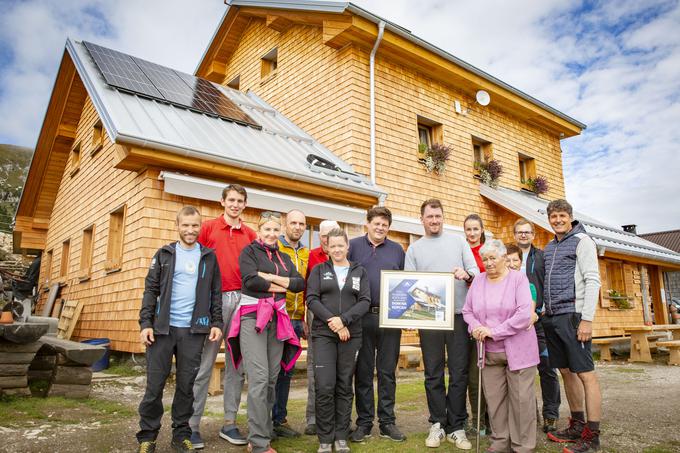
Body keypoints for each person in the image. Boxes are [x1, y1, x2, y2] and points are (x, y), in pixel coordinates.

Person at [136, 206, 223, 453]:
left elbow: (215, 292)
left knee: (187, 386)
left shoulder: (209, 256)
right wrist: (146, 324)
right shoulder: (164, 254)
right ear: (178, 226)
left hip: (194, 332)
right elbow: (150, 291)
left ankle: (181, 436)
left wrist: (217, 323)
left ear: (200, 227)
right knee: (155, 385)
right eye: (185, 225)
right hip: (162, 330)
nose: (190, 230)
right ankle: (147, 437)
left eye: (195, 225)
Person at [227, 211, 305, 453]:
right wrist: (283, 283)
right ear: (259, 231)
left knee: (272, 378)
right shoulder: (249, 252)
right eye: (267, 230)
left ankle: (264, 429)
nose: (271, 234)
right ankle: (258, 442)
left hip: (277, 320)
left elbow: (300, 283)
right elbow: (251, 281)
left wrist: (270, 277)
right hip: (253, 319)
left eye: (275, 230)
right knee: (259, 379)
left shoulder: (283, 256)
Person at [405, 199, 479, 450]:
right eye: (429, 216)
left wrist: (465, 275)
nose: (434, 220)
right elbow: (409, 287)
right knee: (433, 373)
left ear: (443, 217)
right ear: (422, 219)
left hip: (459, 316)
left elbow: (476, 274)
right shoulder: (414, 250)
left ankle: (457, 426)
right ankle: (437, 422)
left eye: (438, 216)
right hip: (430, 319)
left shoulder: (458, 242)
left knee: (459, 373)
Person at [190, 184, 257, 449]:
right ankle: (192, 424)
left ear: (244, 204)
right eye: (231, 200)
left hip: (242, 301)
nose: (235, 204)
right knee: (204, 364)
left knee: (236, 365)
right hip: (213, 302)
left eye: (240, 200)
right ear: (222, 202)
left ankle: (229, 422)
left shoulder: (251, 234)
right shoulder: (207, 229)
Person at [462, 239, 539, 453]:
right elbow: (467, 311)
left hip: (519, 350)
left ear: (504, 258)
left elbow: (524, 314)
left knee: (521, 401)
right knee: (495, 401)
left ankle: (522, 445)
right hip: (489, 352)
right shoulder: (478, 280)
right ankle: (500, 441)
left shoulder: (518, 279)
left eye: (493, 258)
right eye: (484, 259)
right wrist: (476, 327)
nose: (488, 263)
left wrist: (493, 332)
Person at [542, 199, 602, 453]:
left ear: (570, 216)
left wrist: (587, 319)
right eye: (553, 216)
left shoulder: (583, 241)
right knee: (566, 371)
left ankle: (593, 436)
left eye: (561, 216)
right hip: (553, 317)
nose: (557, 220)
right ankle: (576, 424)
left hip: (574, 317)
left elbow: (592, 280)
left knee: (585, 374)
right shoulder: (549, 246)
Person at [307, 228, 371, 453]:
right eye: (331, 246)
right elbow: (312, 299)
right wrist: (333, 322)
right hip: (324, 334)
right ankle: (325, 438)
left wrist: (344, 321)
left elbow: (365, 301)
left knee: (344, 385)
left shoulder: (359, 271)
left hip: (350, 335)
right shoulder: (318, 270)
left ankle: (341, 436)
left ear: (347, 246)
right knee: (324, 385)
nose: (336, 249)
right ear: (327, 247)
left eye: (340, 245)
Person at [349, 207, 406, 443]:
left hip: (389, 318)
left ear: (388, 227)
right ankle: (363, 422)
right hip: (361, 318)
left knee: (386, 372)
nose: (380, 227)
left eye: (384, 224)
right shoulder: (353, 246)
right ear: (368, 224)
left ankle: (387, 422)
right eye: (376, 223)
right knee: (362, 372)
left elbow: (405, 283)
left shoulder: (397, 250)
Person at [513, 218, 561, 433]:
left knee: (547, 368)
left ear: (533, 234)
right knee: (520, 371)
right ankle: (528, 414)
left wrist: (543, 309)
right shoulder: (509, 257)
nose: (523, 235)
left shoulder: (542, 257)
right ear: (514, 234)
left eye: (527, 232)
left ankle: (550, 414)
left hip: (540, 322)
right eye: (519, 232)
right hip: (515, 325)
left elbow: (550, 284)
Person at [272, 209, 311, 438]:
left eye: (302, 224)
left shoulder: (306, 252)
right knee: (271, 371)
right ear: (285, 224)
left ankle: (280, 420)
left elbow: (307, 286)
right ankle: (265, 420)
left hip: (297, 320)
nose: (297, 227)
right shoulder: (276, 248)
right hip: (278, 316)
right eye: (293, 223)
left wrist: (305, 316)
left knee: (287, 371)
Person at [302, 219, 340, 435]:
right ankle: (313, 417)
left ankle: (335, 417)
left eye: (332, 234)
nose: (327, 239)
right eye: (324, 236)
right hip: (315, 313)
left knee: (338, 369)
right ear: (319, 237)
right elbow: (305, 290)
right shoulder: (311, 256)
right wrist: (304, 318)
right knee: (315, 367)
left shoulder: (344, 255)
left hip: (339, 315)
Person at [463, 213, 489, 437]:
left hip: (488, 319)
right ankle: (477, 420)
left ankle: (491, 418)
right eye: (468, 230)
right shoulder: (461, 252)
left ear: (482, 230)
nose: (471, 234)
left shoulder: (488, 253)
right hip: (467, 317)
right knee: (472, 372)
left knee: (490, 372)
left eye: (475, 229)